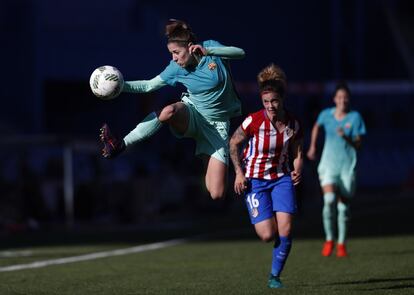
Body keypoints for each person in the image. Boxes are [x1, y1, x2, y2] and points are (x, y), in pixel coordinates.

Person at [99, 19, 245, 200]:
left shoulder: (211, 48)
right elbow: (148, 86)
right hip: (192, 114)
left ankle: (205, 155)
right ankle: (121, 144)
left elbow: (240, 53)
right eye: (171, 53)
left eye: (176, 52)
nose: (173, 58)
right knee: (169, 111)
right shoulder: (175, 68)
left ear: (190, 47)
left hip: (218, 126)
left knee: (216, 193)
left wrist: (209, 51)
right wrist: (120, 86)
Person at [229, 63, 303, 288]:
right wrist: (238, 173)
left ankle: (274, 276)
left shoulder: (292, 124)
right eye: (266, 102)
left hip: (281, 178)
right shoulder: (253, 121)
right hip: (255, 181)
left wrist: (298, 168)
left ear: (282, 99)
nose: (270, 106)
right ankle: (273, 258)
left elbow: (297, 151)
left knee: (287, 229)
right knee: (267, 235)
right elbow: (233, 143)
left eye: (275, 101)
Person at [306, 82, 366, 257]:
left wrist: (347, 137)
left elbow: (359, 144)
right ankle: (330, 239)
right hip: (329, 165)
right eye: (339, 97)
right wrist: (312, 147)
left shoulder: (355, 117)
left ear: (349, 99)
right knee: (329, 200)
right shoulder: (326, 114)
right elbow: (317, 126)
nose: (342, 100)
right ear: (334, 99)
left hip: (347, 167)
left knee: (343, 208)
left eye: (345, 97)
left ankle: (341, 243)